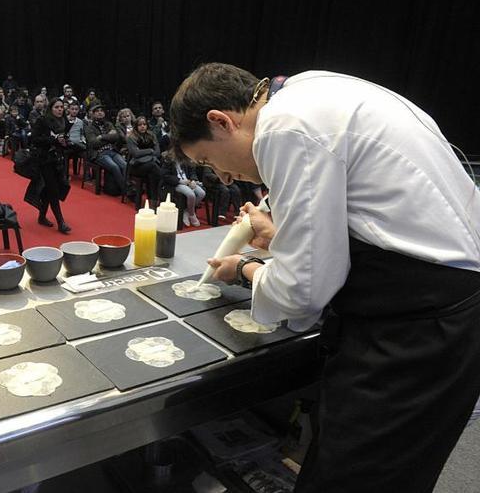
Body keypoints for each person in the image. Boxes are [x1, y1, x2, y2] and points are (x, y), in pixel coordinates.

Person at [170, 63, 480, 493]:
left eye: (208, 159)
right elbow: (373, 219)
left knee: (354, 477)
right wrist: (284, 238)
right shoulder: (310, 88)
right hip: (444, 305)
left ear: (221, 121)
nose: (222, 177)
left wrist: (249, 270)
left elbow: (303, 290)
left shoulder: (283, 126)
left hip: (418, 328)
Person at [25, 98, 71, 233]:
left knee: (47, 191)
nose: (60, 109)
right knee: (53, 191)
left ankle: (41, 216)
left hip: (57, 159)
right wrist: (53, 140)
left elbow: (64, 137)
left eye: (61, 107)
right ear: (51, 108)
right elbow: (34, 139)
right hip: (44, 160)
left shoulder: (64, 121)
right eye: (56, 107)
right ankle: (61, 222)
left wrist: (64, 142)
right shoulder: (42, 120)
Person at [84, 103, 127, 195]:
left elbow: (116, 137)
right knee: (114, 167)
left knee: (124, 165)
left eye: (101, 111)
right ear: (93, 114)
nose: (100, 113)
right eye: (97, 111)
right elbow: (94, 143)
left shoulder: (109, 124)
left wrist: (102, 136)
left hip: (112, 150)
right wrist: (109, 137)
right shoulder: (89, 127)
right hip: (99, 153)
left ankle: (127, 186)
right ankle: (126, 190)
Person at [160, 150, 204, 226]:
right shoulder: (168, 159)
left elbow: (192, 171)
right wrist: (180, 181)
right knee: (191, 194)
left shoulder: (186, 159)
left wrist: (194, 180)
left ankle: (186, 211)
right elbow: (165, 176)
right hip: (176, 183)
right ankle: (192, 215)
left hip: (188, 181)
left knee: (201, 193)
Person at [126, 116, 163, 204]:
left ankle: (153, 200)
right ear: (136, 126)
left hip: (150, 165)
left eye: (144, 124)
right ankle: (159, 198)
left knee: (152, 173)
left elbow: (158, 152)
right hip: (136, 166)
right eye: (140, 125)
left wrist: (144, 153)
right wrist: (150, 151)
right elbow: (135, 154)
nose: (142, 126)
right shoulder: (131, 137)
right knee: (154, 167)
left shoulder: (151, 135)